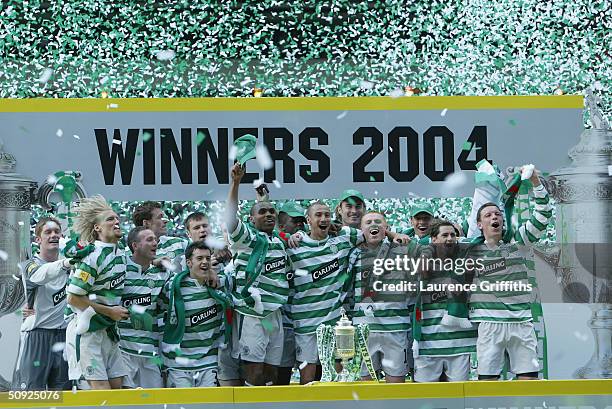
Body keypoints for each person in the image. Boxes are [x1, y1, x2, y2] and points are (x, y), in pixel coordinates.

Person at [469, 167, 552, 380]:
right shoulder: (470, 250)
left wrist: (536, 183)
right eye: (488, 215)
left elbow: (543, 215)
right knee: (487, 384)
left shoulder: (518, 242)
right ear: (479, 224)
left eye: (497, 213)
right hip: (489, 322)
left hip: (521, 321)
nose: (494, 217)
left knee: (529, 381)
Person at [286, 201, 366, 384]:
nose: (324, 219)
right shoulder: (293, 246)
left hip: (334, 320)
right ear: (308, 220)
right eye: (318, 215)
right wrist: (289, 236)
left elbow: (372, 231)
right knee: (307, 378)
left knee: (340, 376)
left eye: (327, 215)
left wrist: (394, 234)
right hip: (305, 321)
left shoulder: (342, 239)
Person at [225, 162, 289, 386]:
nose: (269, 214)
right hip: (253, 315)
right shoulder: (247, 240)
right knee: (254, 373)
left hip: (275, 315)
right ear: (251, 220)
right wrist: (235, 183)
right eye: (262, 212)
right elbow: (231, 219)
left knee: (272, 373)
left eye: (272, 211)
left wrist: (263, 199)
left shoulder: (280, 241)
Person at [348, 211, 421, 383]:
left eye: (378, 222)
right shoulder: (354, 253)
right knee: (365, 388)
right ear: (361, 229)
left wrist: (393, 235)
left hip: (395, 329)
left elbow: (419, 251)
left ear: (386, 228)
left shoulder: (402, 250)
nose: (374, 225)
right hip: (364, 330)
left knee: (396, 387)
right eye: (368, 222)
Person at [65, 195, 128, 390]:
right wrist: (110, 312)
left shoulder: (121, 255)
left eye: (117, 218)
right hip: (88, 334)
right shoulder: (91, 257)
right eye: (110, 219)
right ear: (97, 228)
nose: (116, 221)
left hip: (109, 332)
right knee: (102, 395)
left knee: (119, 390)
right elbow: (73, 298)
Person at [412, 221, 477, 382]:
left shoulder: (466, 258)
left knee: (459, 400)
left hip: (460, 344)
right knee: (426, 400)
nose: (450, 238)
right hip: (428, 344)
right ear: (433, 239)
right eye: (445, 235)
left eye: (453, 235)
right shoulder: (422, 257)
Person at [12, 217, 72, 391]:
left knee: (62, 397)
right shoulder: (29, 265)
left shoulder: (70, 264)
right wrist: (67, 263)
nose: (53, 235)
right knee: (28, 396)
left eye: (57, 232)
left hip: (63, 337)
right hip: (37, 335)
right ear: (38, 239)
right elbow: (39, 275)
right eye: (48, 232)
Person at [159, 241, 225, 387]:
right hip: (178, 364)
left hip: (208, 361)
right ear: (188, 262)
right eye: (199, 258)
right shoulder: (173, 287)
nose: (205, 262)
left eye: (208, 258)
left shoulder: (220, 284)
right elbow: (158, 309)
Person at [118, 227, 170, 388]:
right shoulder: (120, 268)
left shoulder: (162, 274)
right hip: (123, 350)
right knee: (125, 403)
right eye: (149, 240)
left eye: (155, 239)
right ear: (135, 245)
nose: (155, 243)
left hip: (150, 351)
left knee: (155, 402)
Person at [276, 201, 306, 385]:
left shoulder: (309, 241)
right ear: (281, 224)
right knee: (281, 377)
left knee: (312, 377)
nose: (299, 224)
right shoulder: (274, 241)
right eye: (294, 221)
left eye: (302, 220)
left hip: (307, 320)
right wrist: (285, 236)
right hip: (283, 322)